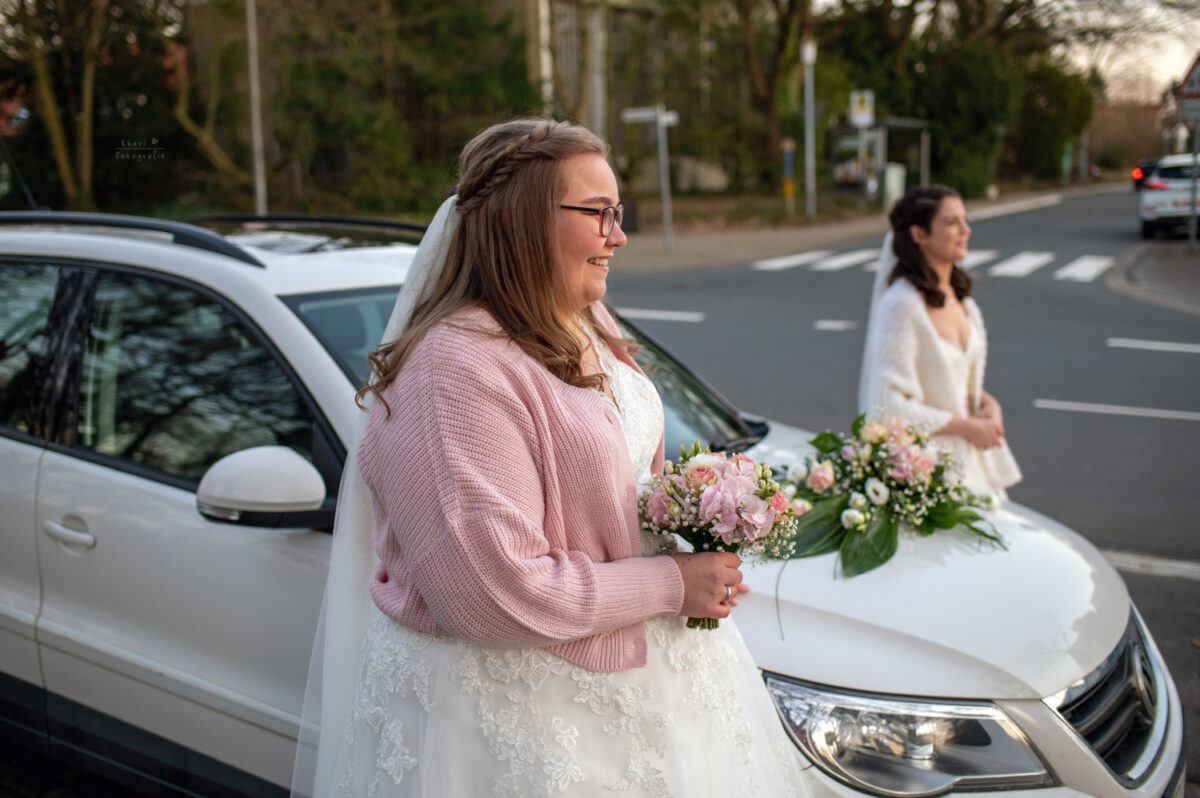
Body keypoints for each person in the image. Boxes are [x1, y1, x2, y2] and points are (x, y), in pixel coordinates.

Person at [292, 118, 808, 798]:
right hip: (518, 724)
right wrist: (673, 583)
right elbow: (492, 590)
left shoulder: (586, 321)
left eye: (618, 214)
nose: (618, 236)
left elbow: (618, 477)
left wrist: (697, 510)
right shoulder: (457, 369)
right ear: (524, 219)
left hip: (650, 700)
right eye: (598, 213)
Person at [858, 184, 1021, 496]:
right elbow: (887, 407)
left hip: (975, 466)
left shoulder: (963, 302)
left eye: (964, 219)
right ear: (919, 234)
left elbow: (952, 379)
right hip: (929, 475)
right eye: (951, 222)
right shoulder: (902, 305)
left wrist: (989, 405)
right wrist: (969, 427)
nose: (965, 230)